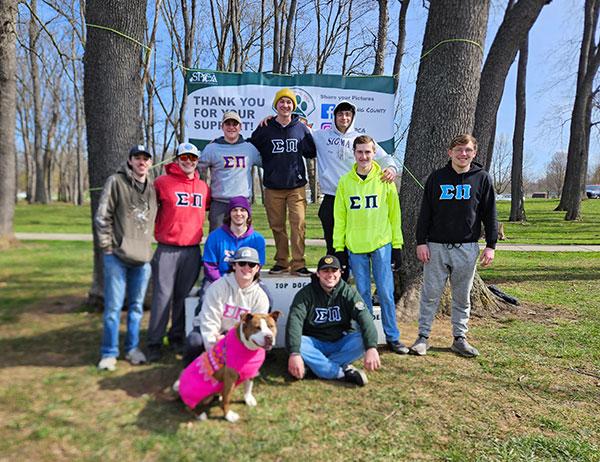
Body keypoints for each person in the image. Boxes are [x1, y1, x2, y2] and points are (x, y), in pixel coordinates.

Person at [410, 134, 497, 358]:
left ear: (474, 153)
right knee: (430, 294)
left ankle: (459, 338)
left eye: (468, 150)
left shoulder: (482, 178)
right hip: (436, 246)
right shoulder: (437, 178)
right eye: (458, 149)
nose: (463, 154)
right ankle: (423, 337)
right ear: (450, 152)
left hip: (467, 247)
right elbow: (425, 213)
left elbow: (490, 214)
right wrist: (421, 242)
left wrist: (491, 245)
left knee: (462, 295)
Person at [333, 135, 408, 354]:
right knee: (362, 293)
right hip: (355, 245)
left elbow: (395, 215)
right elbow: (340, 217)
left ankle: (393, 337)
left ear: (374, 153)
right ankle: (365, 336)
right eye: (360, 152)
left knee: (385, 291)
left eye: (368, 152)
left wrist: (397, 245)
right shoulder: (345, 182)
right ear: (354, 153)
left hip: (381, 242)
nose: (364, 156)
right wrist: (339, 249)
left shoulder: (385, 179)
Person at [311, 101, 397, 277]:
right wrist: (270, 119)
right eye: (340, 114)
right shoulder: (320, 136)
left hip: (355, 200)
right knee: (334, 245)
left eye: (348, 115)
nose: (344, 118)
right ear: (334, 116)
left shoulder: (360, 139)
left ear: (352, 118)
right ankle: (336, 282)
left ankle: (360, 281)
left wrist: (391, 168)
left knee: (355, 243)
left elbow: (385, 158)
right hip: (331, 198)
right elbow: (297, 126)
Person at [95, 145, 157, 371]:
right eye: (137, 158)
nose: (141, 162)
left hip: (142, 259)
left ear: (150, 163)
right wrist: (107, 247)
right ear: (130, 161)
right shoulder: (116, 182)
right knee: (113, 309)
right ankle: (109, 352)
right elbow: (103, 216)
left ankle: (132, 349)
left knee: (137, 307)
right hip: (117, 257)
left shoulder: (152, 188)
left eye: (145, 158)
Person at [147, 142, 210, 362]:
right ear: (176, 159)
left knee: (183, 298)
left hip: (192, 250)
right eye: (184, 157)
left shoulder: (203, 186)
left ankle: (176, 337)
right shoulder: (162, 183)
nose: (188, 162)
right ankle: (154, 341)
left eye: (193, 159)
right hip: (167, 248)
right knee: (162, 297)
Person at [249, 88, 316, 276]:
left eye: (289, 102)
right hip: (272, 187)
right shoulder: (266, 127)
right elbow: (250, 145)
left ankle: (298, 263)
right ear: (276, 105)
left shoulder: (300, 128)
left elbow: (311, 152)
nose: (285, 105)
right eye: (282, 102)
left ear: (293, 106)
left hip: (296, 187)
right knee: (277, 226)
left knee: (298, 224)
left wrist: (309, 130)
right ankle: (281, 262)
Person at [285, 255, 380, 386]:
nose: (330, 275)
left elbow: (365, 318)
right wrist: (294, 354)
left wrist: (372, 347)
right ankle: (340, 373)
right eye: (325, 271)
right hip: (314, 343)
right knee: (299, 343)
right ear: (318, 274)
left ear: (340, 273)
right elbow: (294, 322)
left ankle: (317, 367)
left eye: (334, 271)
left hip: (340, 341)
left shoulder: (348, 292)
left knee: (363, 339)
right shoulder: (305, 295)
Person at [182, 247, 270, 366]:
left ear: (257, 268)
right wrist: (214, 343)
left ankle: (239, 370)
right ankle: (190, 371)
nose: (246, 268)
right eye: (242, 263)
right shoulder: (217, 287)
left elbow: (256, 329)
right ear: (234, 266)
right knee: (194, 341)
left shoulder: (261, 297)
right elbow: (209, 320)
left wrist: (232, 341)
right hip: (214, 331)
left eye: (252, 264)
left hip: (239, 336)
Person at [199, 111, 262, 232]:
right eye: (228, 124)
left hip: (242, 203)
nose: (231, 127)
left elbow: (269, 164)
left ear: (240, 127)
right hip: (219, 204)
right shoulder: (212, 148)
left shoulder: (249, 148)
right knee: (218, 241)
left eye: (235, 124)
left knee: (242, 243)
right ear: (222, 126)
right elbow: (195, 167)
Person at [202, 196, 266, 284]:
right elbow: (210, 266)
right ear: (229, 213)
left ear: (248, 214)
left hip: (247, 281)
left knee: (267, 296)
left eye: (242, 210)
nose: (238, 213)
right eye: (235, 210)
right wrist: (223, 285)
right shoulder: (215, 236)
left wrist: (243, 283)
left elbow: (257, 266)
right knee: (206, 296)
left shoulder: (257, 239)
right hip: (217, 281)